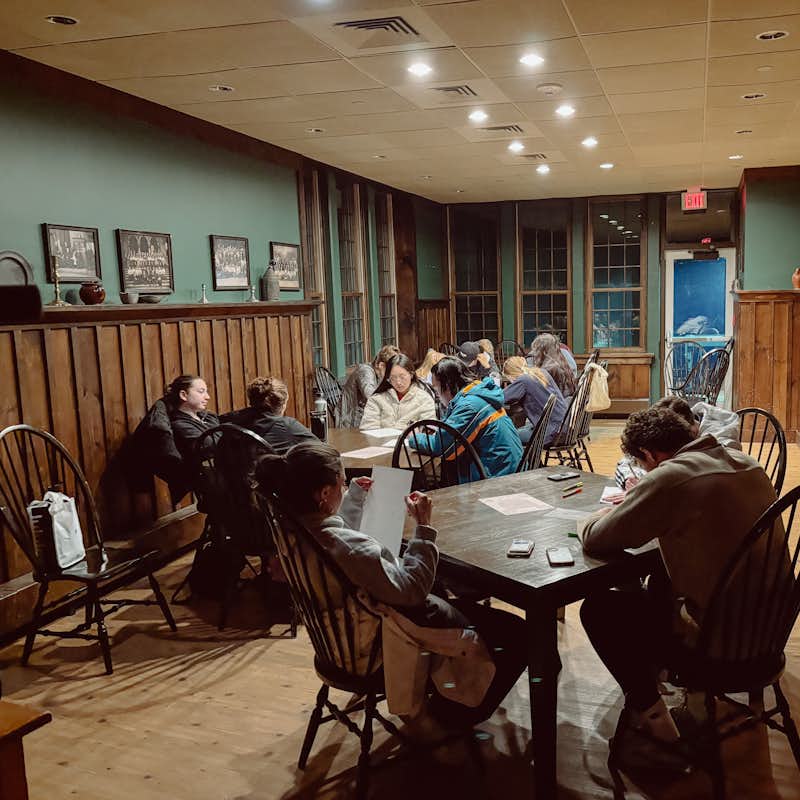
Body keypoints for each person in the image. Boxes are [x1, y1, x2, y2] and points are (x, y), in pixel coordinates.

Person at [255, 442, 527, 729]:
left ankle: (443, 692)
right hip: (378, 648)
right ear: (324, 494)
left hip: (338, 644)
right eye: (342, 483)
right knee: (519, 633)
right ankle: (457, 718)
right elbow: (411, 590)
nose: (345, 487)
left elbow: (334, 538)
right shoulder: (348, 548)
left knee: (444, 592)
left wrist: (354, 498)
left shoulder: (292, 534)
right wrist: (423, 526)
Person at [578, 406, 779, 768]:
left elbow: (596, 539)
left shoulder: (670, 477)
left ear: (650, 455)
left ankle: (654, 716)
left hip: (721, 642)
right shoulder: (744, 461)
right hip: (769, 628)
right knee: (659, 581)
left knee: (599, 609)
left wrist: (602, 512)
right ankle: (673, 686)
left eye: (643, 466)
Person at [414, 357, 523, 480]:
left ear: (448, 385)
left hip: (498, 475)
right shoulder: (477, 392)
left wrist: (414, 438)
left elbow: (444, 448)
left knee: (437, 475)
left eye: (436, 388)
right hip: (508, 465)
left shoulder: (469, 405)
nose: (437, 395)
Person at [613, 396, 741, 489]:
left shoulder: (723, 442)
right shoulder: (671, 437)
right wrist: (629, 478)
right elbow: (628, 459)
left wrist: (645, 490)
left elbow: (694, 479)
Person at [222, 376, 317, 454]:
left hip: (231, 476)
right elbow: (324, 452)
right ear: (283, 404)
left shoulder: (232, 421)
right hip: (270, 476)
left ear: (251, 401)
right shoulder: (288, 427)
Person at [359, 354, 436, 431]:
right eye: (393, 378)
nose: (398, 382)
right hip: (381, 442)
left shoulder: (424, 399)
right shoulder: (376, 399)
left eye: (402, 377)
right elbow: (368, 428)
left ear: (411, 374)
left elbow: (428, 431)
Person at [501, 356, 567, 446]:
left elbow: (501, 397)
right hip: (563, 427)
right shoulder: (542, 373)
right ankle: (527, 460)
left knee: (506, 436)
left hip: (550, 433)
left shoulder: (524, 380)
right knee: (520, 430)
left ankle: (522, 460)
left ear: (512, 376)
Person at [337, 344, 400, 428]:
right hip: (350, 418)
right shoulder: (365, 371)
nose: (391, 375)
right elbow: (371, 396)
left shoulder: (379, 374)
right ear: (381, 365)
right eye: (390, 371)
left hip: (363, 415)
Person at [166, 374, 219, 462]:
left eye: (206, 392)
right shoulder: (179, 425)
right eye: (201, 392)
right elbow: (211, 446)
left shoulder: (209, 417)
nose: (207, 397)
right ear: (184, 395)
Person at [527, 333, 577, 398]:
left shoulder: (550, 369)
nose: (534, 353)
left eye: (536, 350)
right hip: (566, 401)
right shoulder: (561, 361)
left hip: (555, 404)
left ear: (543, 351)